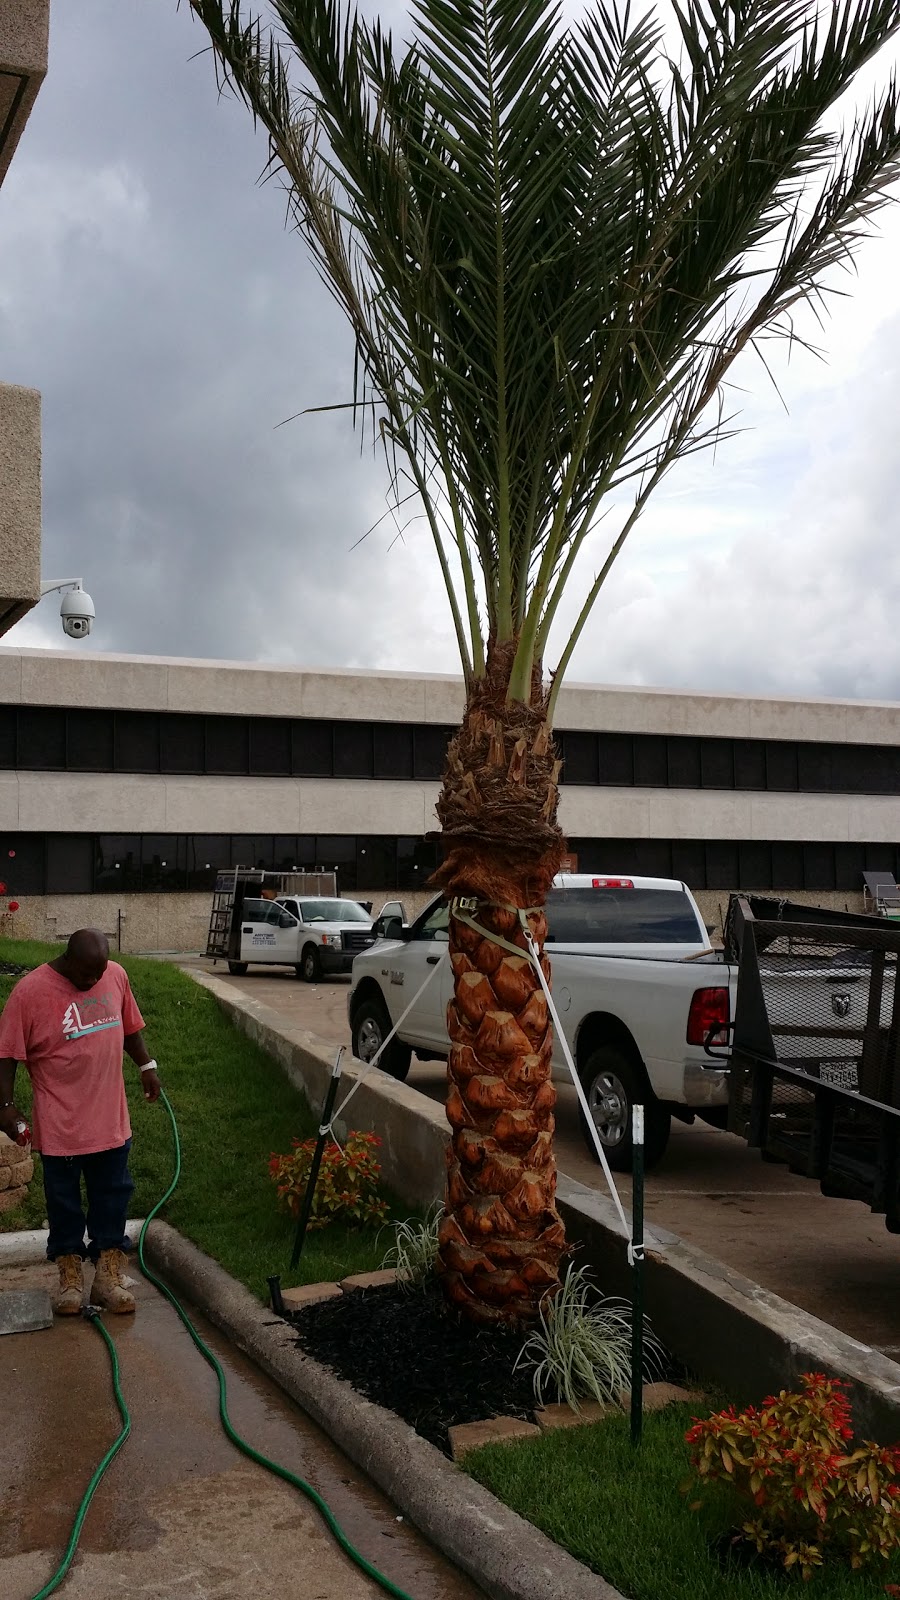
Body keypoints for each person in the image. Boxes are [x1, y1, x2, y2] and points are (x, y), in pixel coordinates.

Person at [0, 929, 161, 1316]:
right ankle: (70, 1276)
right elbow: (6, 1055)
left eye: (98, 974)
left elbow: (129, 1028)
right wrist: (5, 1106)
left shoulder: (115, 976)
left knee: (112, 1197)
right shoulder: (30, 992)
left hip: (110, 1121)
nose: (92, 982)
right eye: (86, 974)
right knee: (64, 1204)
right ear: (67, 958)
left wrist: (146, 1064)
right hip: (61, 1127)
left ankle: (107, 1278)